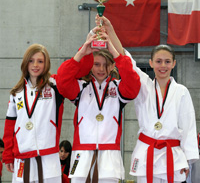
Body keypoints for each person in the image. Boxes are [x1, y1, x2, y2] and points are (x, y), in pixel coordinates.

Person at [94, 16, 199, 183]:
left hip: (173, 157)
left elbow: (188, 128)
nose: (162, 66)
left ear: (173, 63)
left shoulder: (182, 92)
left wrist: (189, 161)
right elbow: (125, 58)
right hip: (146, 154)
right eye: (158, 61)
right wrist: (111, 30)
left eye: (167, 62)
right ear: (151, 63)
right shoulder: (144, 85)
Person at [56, 30, 141, 183]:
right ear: (90, 65)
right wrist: (82, 52)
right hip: (81, 156)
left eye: (106, 65)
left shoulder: (119, 89)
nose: (101, 69)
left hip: (109, 157)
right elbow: (62, 82)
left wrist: (114, 51)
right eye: (96, 64)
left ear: (112, 65)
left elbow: (134, 86)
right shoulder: (81, 88)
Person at [2, 44, 65, 183]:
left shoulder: (55, 86)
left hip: (49, 157)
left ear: (46, 63)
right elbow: (9, 127)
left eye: (40, 61)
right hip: (22, 157)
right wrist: (7, 155)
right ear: (25, 63)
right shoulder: (16, 93)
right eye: (31, 60)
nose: (35, 65)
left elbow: (72, 70)